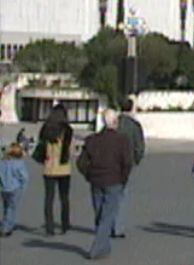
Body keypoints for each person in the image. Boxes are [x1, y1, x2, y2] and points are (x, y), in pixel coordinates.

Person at [76, 109, 133, 260]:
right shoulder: (122, 140)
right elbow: (127, 163)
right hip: (114, 181)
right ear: (115, 122)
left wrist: (89, 174)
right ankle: (97, 249)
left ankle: (104, 247)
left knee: (100, 214)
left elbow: (81, 162)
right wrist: (123, 178)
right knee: (106, 216)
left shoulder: (92, 140)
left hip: (96, 181)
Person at [37, 103, 75, 236]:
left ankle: (49, 227)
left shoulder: (45, 129)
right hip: (63, 168)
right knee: (64, 198)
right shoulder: (67, 130)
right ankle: (65, 224)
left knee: (49, 198)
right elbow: (71, 149)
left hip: (49, 167)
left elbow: (41, 146)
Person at [114, 99, 146, 239]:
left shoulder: (114, 122)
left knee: (110, 193)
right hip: (127, 162)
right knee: (122, 194)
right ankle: (118, 227)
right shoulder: (134, 125)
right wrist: (137, 159)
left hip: (111, 161)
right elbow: (139, 145)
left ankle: (108, 223)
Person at [0, 143, 29, 237]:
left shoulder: (2, 162)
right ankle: (7, 227)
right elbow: (24, 177)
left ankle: (6, 223)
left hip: (3, 189)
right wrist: (22, 188)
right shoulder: (19, 163)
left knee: (6, 207)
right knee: (12, 208)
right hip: (14, 188)